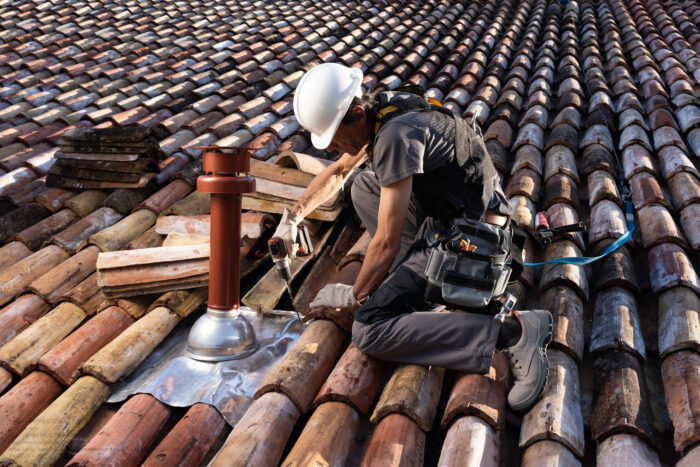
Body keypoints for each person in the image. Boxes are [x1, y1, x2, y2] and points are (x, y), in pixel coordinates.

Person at [273, 62, 552, 411]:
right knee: (364, 185)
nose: (331, 149)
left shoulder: (394, 134)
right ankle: (412, 282)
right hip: (452, 211)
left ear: (356, 114)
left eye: (333, 138)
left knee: (369, 328)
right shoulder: (383, 110)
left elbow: (387, 243)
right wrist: (293, 216)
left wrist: (356, 295)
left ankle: (514, 333)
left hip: (474, 236)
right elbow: (341, 172)